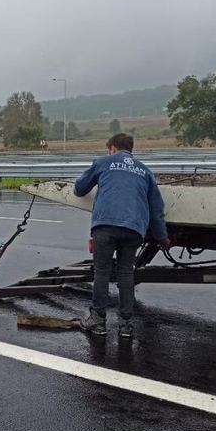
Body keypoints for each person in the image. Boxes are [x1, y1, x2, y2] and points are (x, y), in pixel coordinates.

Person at [74, 133, 169, 338]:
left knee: (102, 273)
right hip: (134, 228)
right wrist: (162, 237)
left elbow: (79, 189)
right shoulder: (144, 171)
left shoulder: (103, 162)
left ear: (113, 149)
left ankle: (98, 321)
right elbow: (156, 208)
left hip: (105, 225)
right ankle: (126, 325)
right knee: (126, 273)